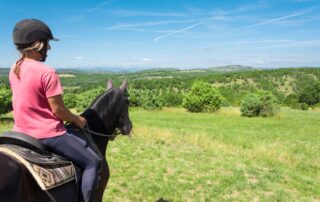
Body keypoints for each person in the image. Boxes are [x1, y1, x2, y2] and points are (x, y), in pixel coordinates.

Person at [9, 18, 100, 202]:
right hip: (47, 134)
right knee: (93, 162)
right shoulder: (47, 72)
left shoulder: (14, 68)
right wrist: (77, 119)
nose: (48, 48)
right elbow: (58, 110)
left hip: (19, 132)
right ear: (37, 44)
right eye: (47, 43)